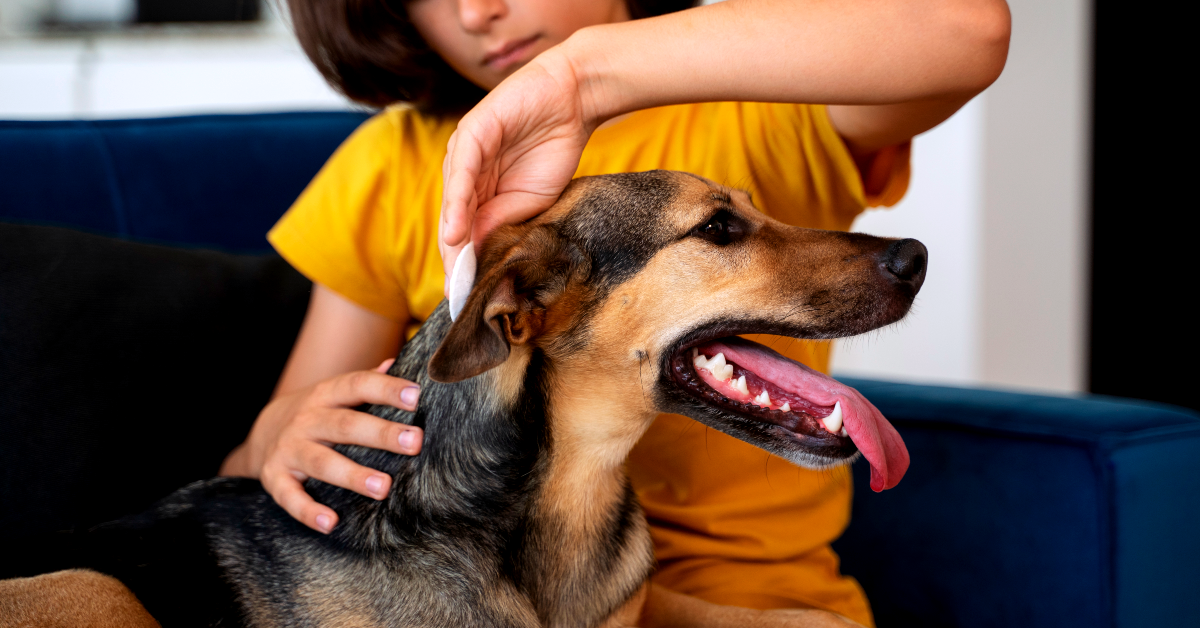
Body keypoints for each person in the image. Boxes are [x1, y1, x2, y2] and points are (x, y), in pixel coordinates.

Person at [219, 0, 1010, 624]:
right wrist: (274, 434)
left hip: (758, 600)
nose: (474, 10)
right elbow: (273, 469)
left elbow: (966, 27)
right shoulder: (394, 165)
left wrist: (585, 75)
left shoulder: (754, 106)